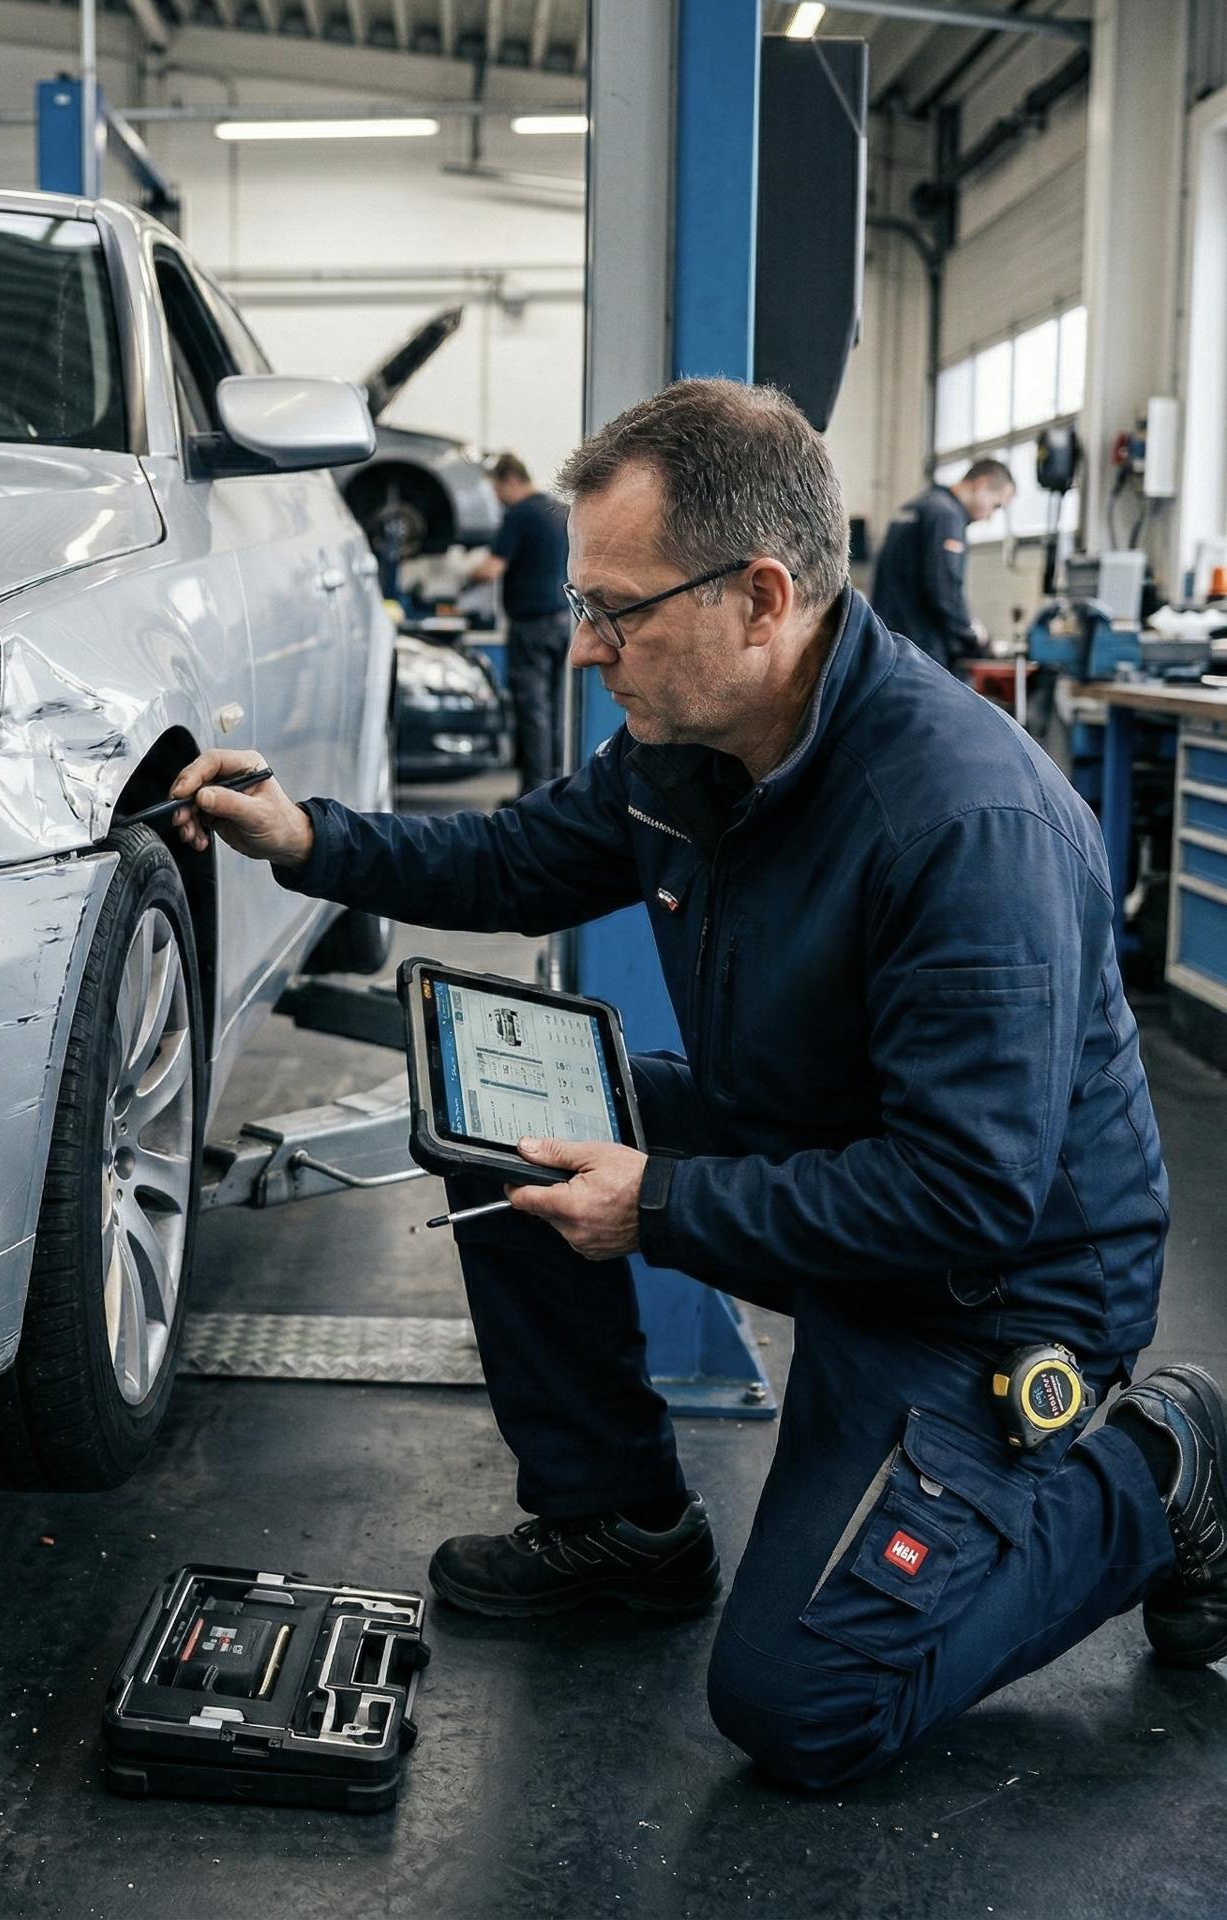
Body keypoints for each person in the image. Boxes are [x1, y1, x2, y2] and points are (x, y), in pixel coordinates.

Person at [162, 380, 1225, 1790]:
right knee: (499, 1122)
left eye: (618, 610)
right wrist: (305, 835)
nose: (589, 647)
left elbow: (965, 1196)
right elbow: (516, 860)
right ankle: (624, 1524)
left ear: (762, 597)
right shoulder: (694, 749)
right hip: (814, 1151)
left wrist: (659, 1205)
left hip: (990, 1286)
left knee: (806, 1704)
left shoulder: (967, 825)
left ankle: (1167, 1462)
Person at [468, 453, 573, 791]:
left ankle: (535, 796)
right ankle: (558, 788)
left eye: (497, 489)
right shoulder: (559, 511)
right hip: (564, 622)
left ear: (510, 479)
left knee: (532, 712)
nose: (497, 498)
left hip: (530, 627)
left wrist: (456, 578)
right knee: (557, 709)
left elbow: (491, 569)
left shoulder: (520, 514)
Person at [869, 457, 1016, 676]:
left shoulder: (918, 505)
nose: (989, 517)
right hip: (921, 651)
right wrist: (971, 636)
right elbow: (944, 588)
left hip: (888, 643)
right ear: (982, 485)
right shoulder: (946, 516)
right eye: (995, 505)